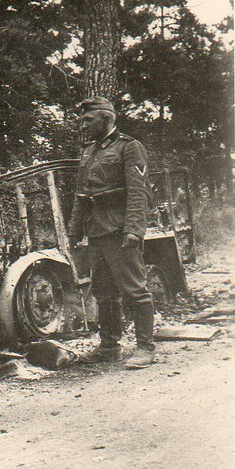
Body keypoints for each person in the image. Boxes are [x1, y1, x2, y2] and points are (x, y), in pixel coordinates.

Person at [68, 96, 155, 369]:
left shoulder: (129, 147)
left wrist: (133, 230)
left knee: (134, 289)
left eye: (88, 120)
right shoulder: (88, 151)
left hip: (119, 230)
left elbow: (138, 192)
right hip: (96, 230)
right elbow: (81, 195)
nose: (83, 125)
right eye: (81, 120)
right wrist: (74, 231)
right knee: (103, 291)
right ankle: (109, 346)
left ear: (106, 119)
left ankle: (145, 347)